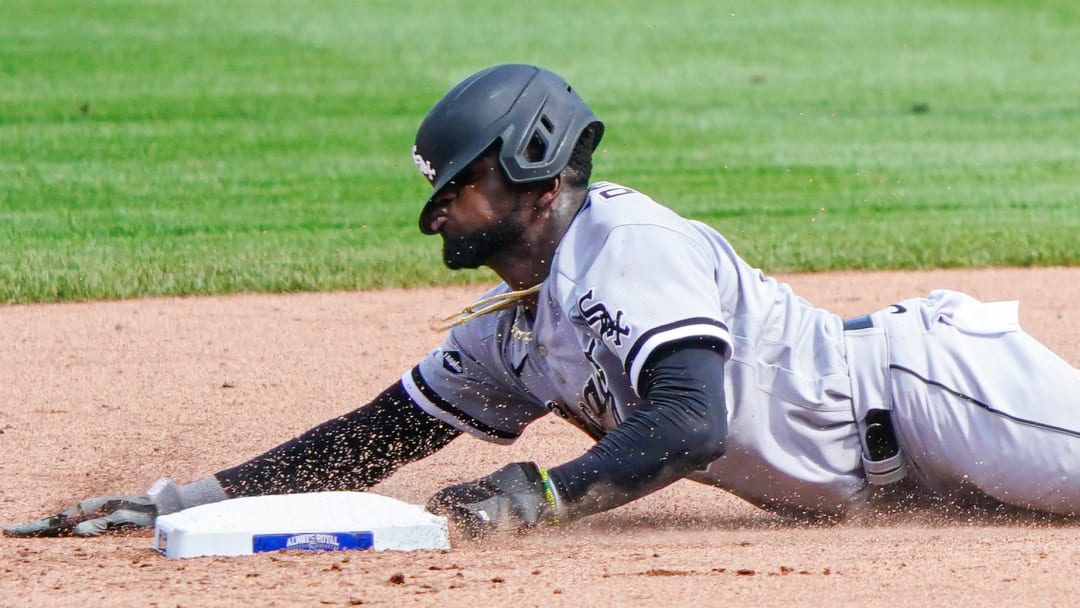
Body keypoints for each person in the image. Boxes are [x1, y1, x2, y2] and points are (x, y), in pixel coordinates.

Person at [7, 64, 1080, 539]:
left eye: (459, 184)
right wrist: (196, 496)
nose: (441, 213)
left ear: (533, 158)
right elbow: (377, 435)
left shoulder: (628, 242)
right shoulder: (518, 329)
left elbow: (691, 419)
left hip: (932, 389)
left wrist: (544, 494)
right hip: (891, 475)